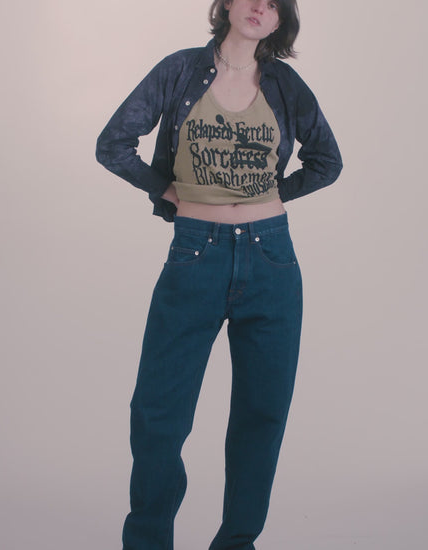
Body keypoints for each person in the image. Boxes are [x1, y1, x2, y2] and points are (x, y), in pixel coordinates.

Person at [95, 0, 342, 548]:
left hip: (272, 259)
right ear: (227, 3)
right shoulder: (179, 70)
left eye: (274, 5)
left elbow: (328, 161)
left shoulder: (286, 85)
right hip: (195, 255)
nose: (260, 7)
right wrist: (167, 191)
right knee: (158, 413)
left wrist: (271, 195)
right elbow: (112, 144)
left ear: (279, 22)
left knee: (262, 413)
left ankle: (237, 542)